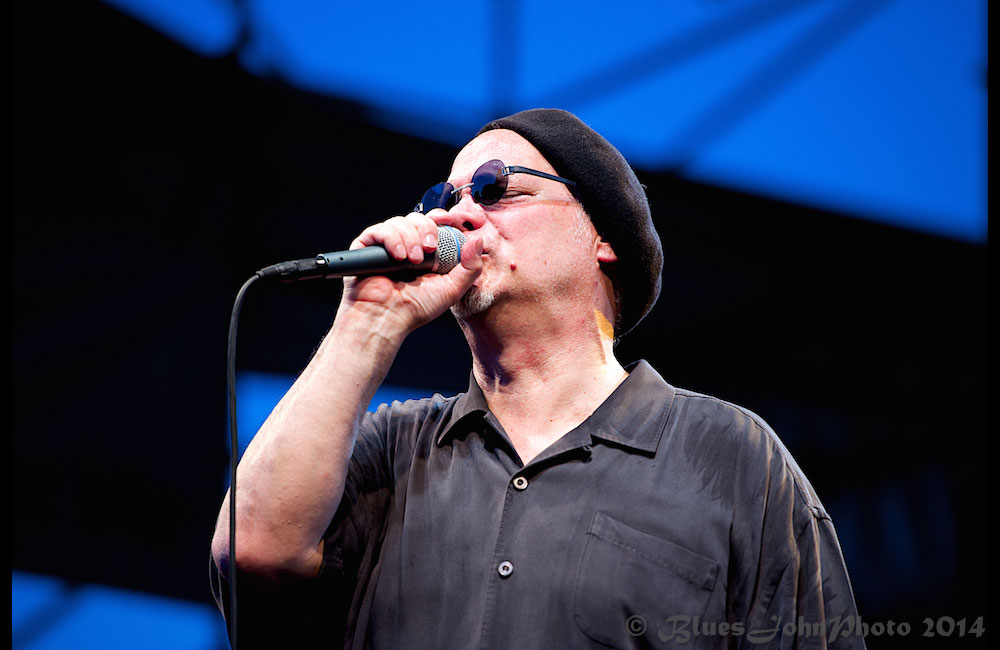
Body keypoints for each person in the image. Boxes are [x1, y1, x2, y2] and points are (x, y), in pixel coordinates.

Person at [210, 108, 865, 649]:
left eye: (496, 188)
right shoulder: (390, 452)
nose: (455, 216)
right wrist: (368, 321)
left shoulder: (727, 455)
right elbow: (252, 554)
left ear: (601, 235)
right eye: (444, 199)